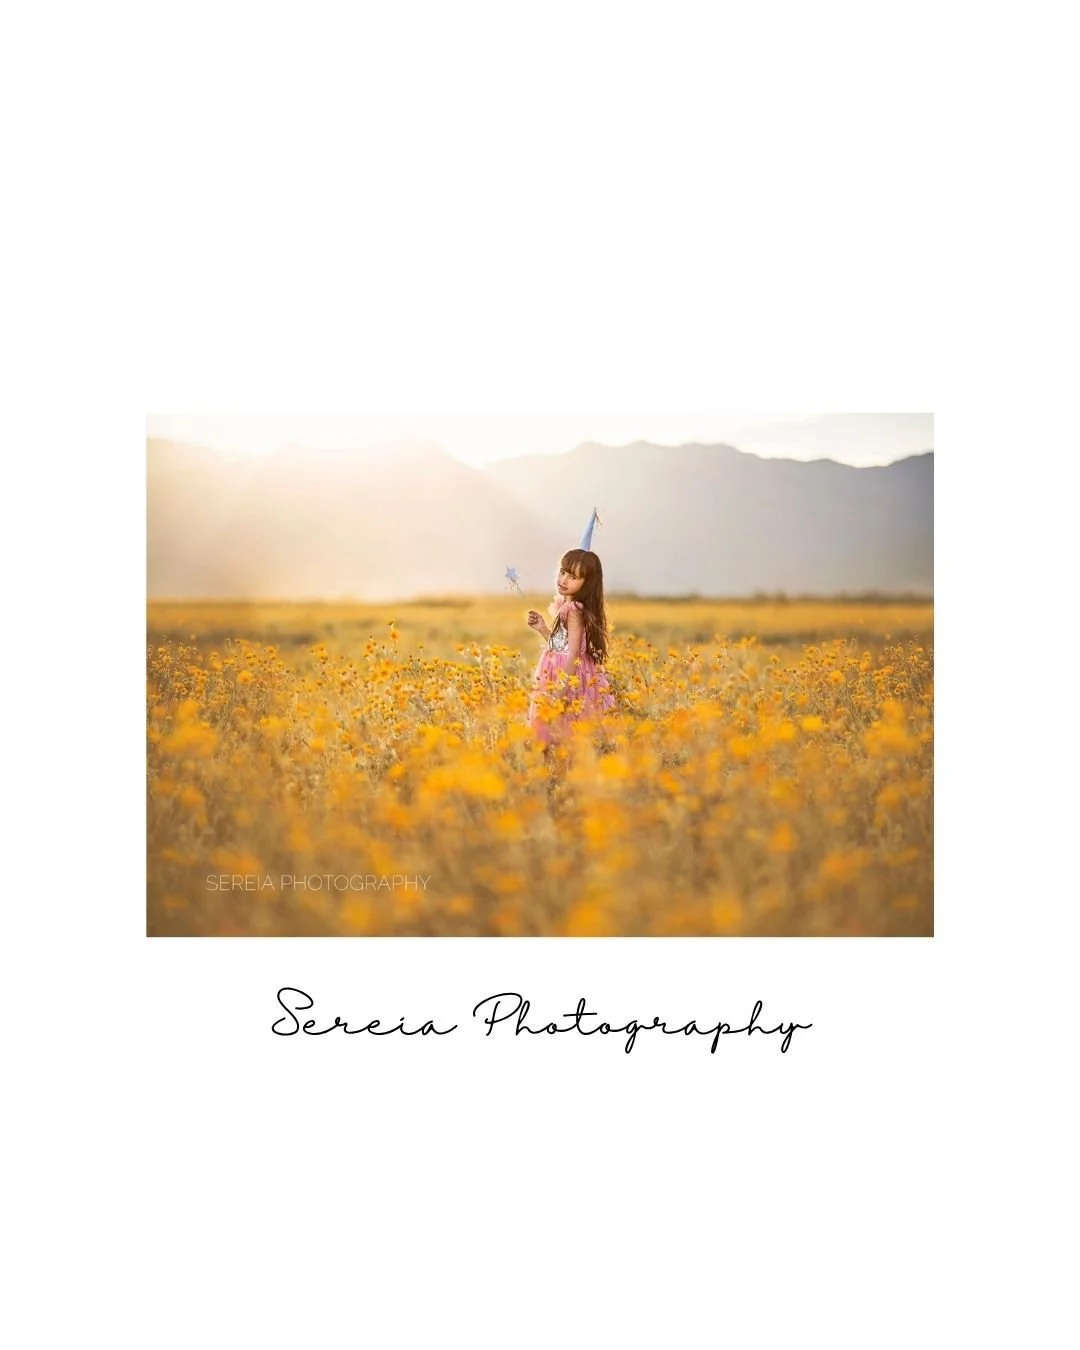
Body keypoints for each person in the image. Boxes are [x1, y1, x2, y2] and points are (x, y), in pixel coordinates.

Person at [527, 548, 616, 747]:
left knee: (560, 731)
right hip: (564, 671)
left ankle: (556, 765)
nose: (564, 580)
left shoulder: (574, 610)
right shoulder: (569, 607)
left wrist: (560, 691)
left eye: (573, 577)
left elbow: (574, 654)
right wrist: (543, 628)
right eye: (563, 572)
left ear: (587, 583)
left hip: (566, 676)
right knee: (562, 733)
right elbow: (563, 647)